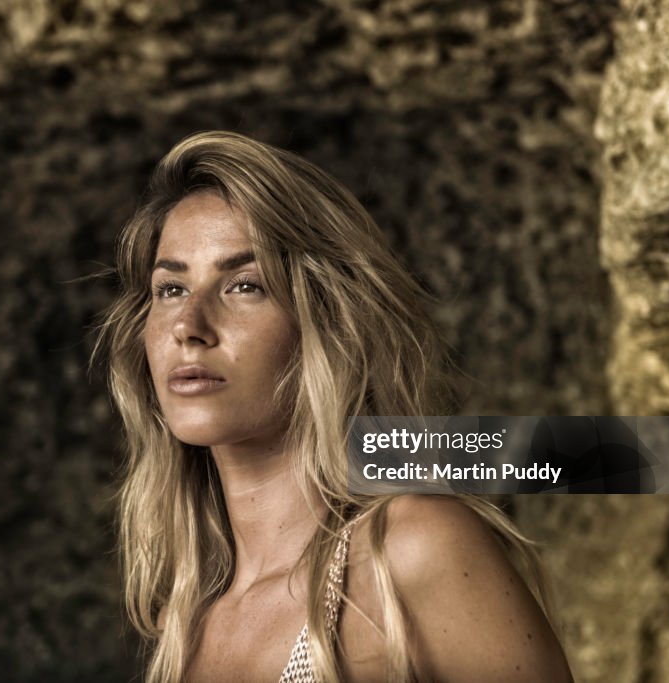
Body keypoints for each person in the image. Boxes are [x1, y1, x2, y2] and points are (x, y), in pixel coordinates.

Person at [95, 131, 572, 682]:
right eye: (171, 289)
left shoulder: (409, 550)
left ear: (326, 324)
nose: (188, 327)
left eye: (245, 286)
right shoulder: (186, 620)